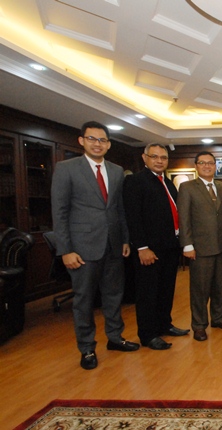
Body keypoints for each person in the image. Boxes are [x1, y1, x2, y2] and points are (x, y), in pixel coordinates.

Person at [51, 121, 139, 370]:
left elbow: (119, 209)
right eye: (92, 139)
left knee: (114, 295)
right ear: (82, 141)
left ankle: (115, 337)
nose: (97, 144)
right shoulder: (66, 169)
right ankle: (87, 348)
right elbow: (59, 212)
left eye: (102, 140)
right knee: (84, 299)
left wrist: (124, 239)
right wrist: (65, 250)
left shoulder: (116, 170)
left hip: (113, 245)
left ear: (108, 144)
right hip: (81, 248)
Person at [123, 143, 190, 351]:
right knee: (148, 293)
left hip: (169, 247)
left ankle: (164, 325)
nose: (159, 161)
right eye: (155, 156)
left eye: (163, 157)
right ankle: (148, 334)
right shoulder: (135, 181)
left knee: (166, 290)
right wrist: (142, 247)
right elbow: (133, 217)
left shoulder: (168, 183)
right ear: (145, 158)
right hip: (149, 250)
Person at [177, 151, 222, 341]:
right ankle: (199, 325)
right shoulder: (187, 187)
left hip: (221, 246)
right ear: (196, 166)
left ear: (215, 166)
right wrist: (187, 245)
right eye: (202, 163)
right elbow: (183, 218)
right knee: (200, 290)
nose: (207, 166)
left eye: (210, 163)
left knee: (221, 287)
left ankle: (219, 318)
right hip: (200, 248)